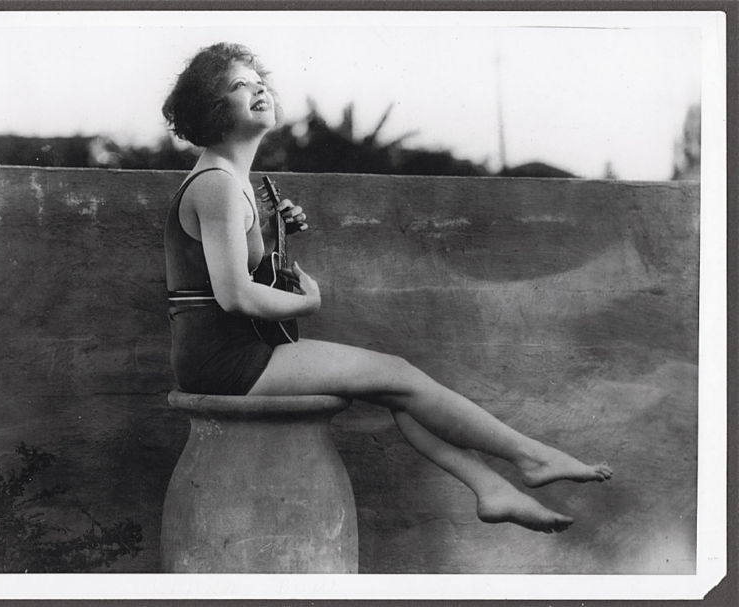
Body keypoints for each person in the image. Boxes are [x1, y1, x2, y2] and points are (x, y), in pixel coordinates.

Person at [162, 42, 612, 534]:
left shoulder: (231, 180)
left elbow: (223, 269)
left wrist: (268, 231)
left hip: (233, 350)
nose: (258, 89)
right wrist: (306, 303)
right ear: (210, 107)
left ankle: (493, 488)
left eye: (258, 80)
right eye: (238, 85)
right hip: (224, 360)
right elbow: (235, 296)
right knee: (397, 374)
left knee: (395, 384)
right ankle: (529, 457)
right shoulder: (219, 184)